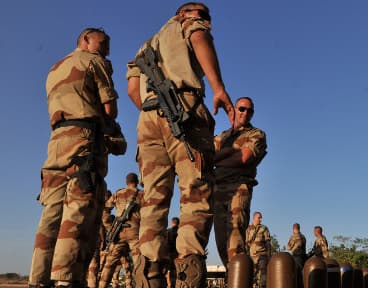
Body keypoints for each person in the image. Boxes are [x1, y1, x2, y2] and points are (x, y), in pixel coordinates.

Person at [125, 2, 234, 287]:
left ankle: (149, 275)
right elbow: (199, 38)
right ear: (184, 14)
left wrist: (152, 112)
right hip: (183, 110)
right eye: (202, 14)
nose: (206, 20)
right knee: (196, 193)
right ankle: (188, 275)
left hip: (148, 118)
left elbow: (132, 89)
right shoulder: (189, 26)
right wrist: (218, 88)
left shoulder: (145, 46)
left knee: (153, 199)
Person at [29, 27, 119, 288]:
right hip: (83, 141)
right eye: (102, 43)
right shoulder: (94, 62)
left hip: (56, 142)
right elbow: (109, 109)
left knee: (51, 216)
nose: (106, 50)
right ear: (86, 40)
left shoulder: (54, 69)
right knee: (78, 212)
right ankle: (65, 280)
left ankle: (38, 279)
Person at [213, 97, 267, 268]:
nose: (245, 113)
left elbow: (244, 157)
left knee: (235, 240)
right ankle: (233, 278)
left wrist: (217, 160)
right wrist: (229, 152)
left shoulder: (256, 134)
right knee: (221, 242)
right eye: (242, 109)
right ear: (234, 110)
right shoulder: (222, 136)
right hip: (217, 190)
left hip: (239, 188)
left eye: (250, 110)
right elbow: (207, 156)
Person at [99, 173, 143, 288]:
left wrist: (109, 226)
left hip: (119, 233)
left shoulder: (118, 194)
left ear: (126, 182)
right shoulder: (142, 195)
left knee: (109, 264)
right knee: (139, 263)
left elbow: (105, 210)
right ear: (137, 181)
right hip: (135, 232)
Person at [245, 212, 271, 288]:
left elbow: (268, 243)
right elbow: (246, 243)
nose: (261, 219)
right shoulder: (248, 229)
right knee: (252, 276)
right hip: (252, 257)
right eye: (259, 217)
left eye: (261, 218)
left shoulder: (264, 228)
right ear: (254, 218)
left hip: (262, 255)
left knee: (263, 276)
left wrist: (269, 255)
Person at [165, 217, 179, 288]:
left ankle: (169, 285)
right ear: (178, 223)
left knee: (169, 271)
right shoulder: (181, 232)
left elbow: (165, 243)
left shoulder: (168, 231)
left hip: (169, 254)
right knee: (176, 271)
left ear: (172, 222)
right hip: (178, 254)